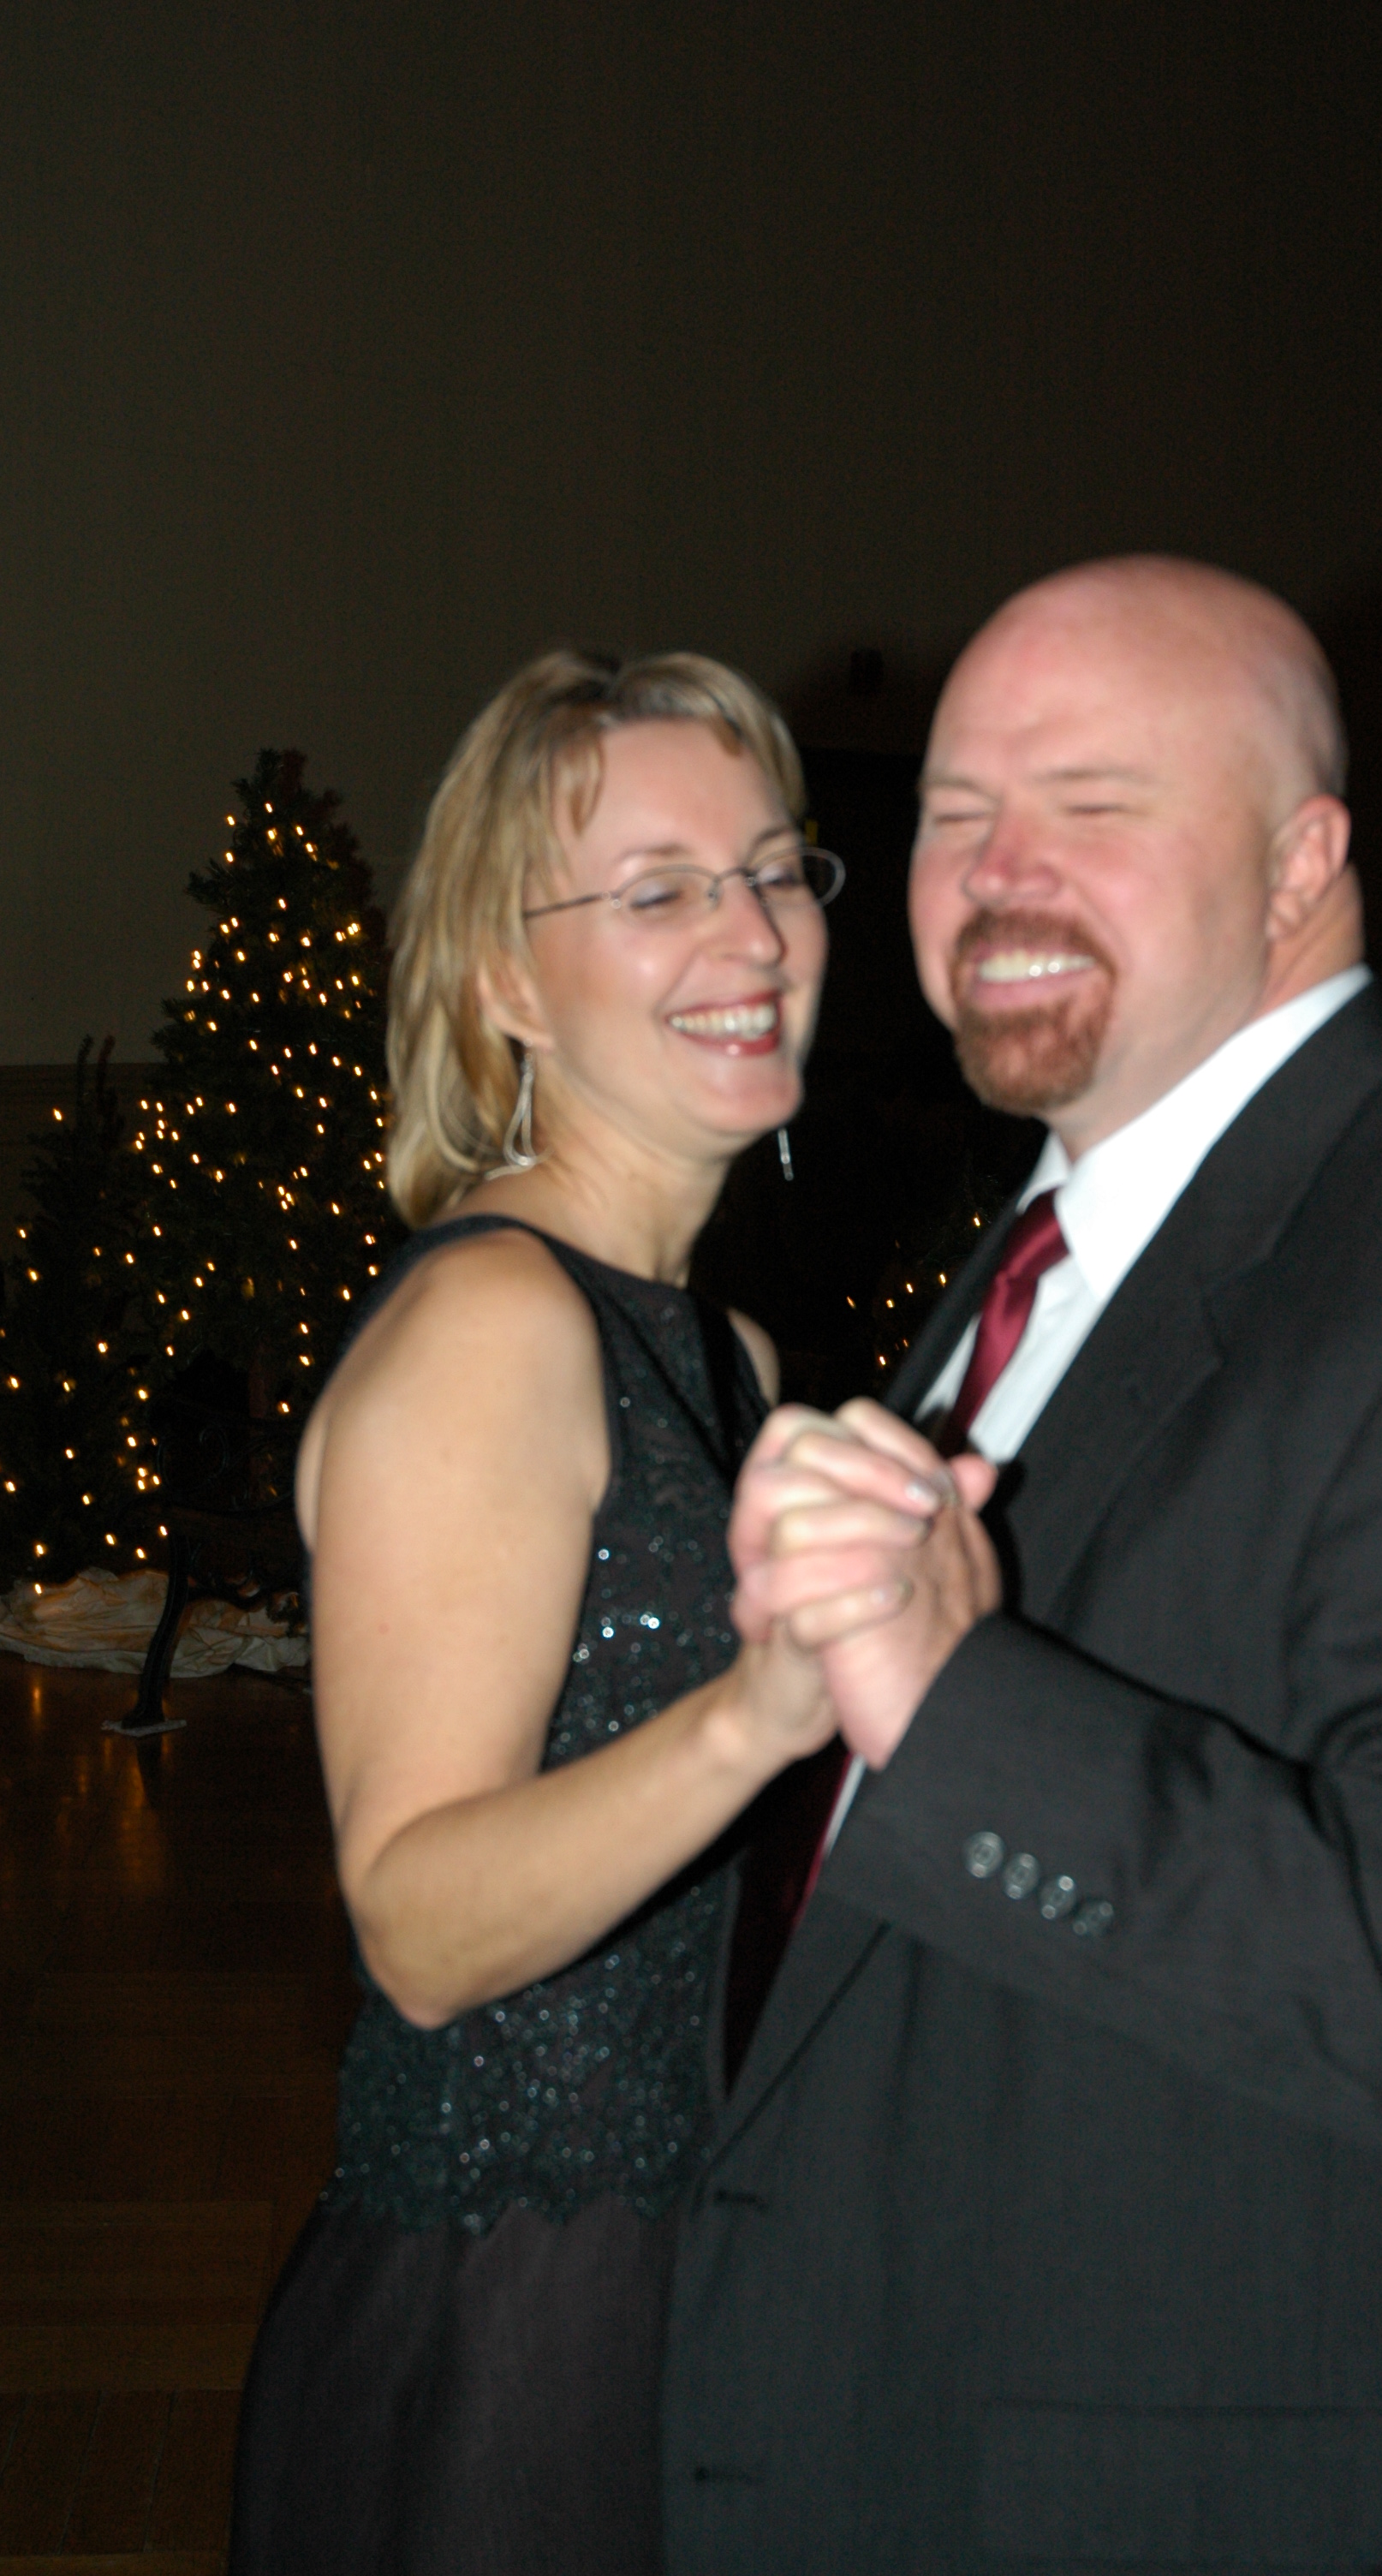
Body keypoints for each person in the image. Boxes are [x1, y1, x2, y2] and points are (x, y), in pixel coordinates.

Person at [664, 558, 1382, 2573]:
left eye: (1092, 801)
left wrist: (964, 1713)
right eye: (954, 812)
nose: (996, 870)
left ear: (1303, 860)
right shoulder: (1058, 1239)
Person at [229, 647, 882, 2576]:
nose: (751, 933)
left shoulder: (729, 1355)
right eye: (659, 889)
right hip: (505, 2332)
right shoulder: (495, 1328)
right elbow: (419, 1923)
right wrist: (762, 1713)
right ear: (506, 982)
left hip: (694, 2283)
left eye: (773, 868)